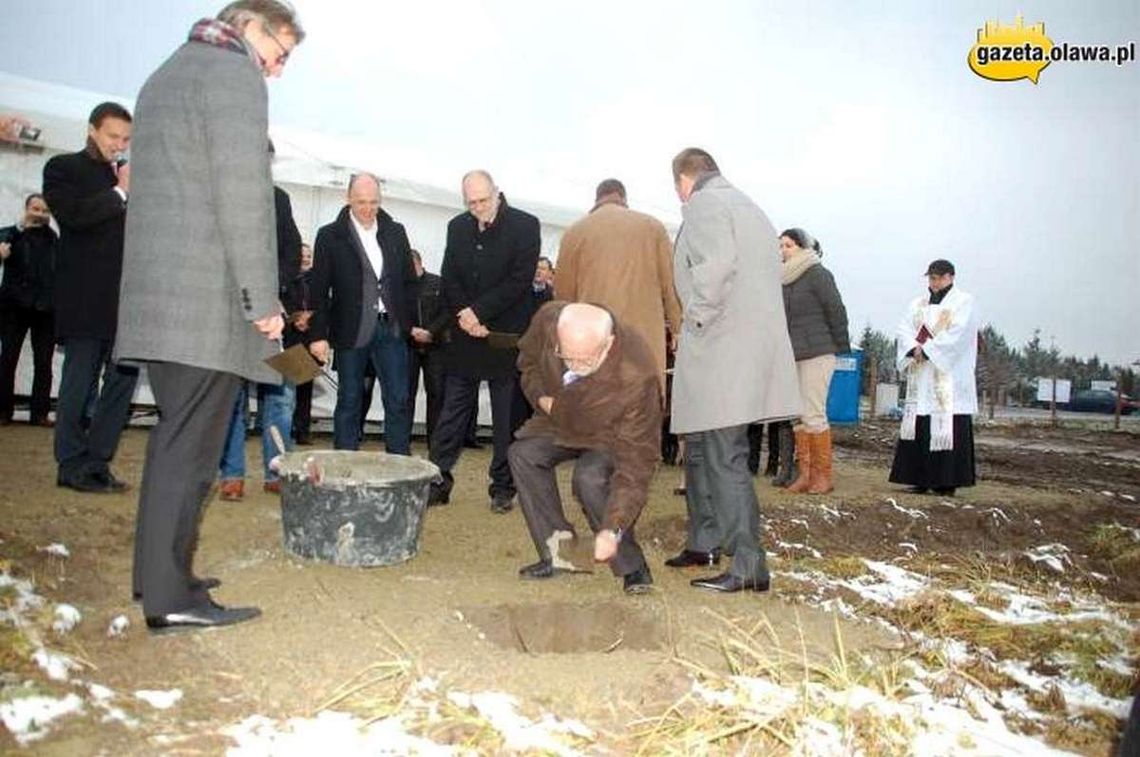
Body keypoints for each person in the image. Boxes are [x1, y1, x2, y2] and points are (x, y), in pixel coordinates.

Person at [116, 0, 304, 632]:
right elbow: (243, 194)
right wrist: (262, 302)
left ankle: (159, 578)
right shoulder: (232, 74)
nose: (275, 71)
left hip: (162, 298)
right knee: (189, 452)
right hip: (203, 305)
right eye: (279, 56)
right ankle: (172, 601)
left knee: (175, 441)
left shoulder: (167, 72)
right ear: (251, 26)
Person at [664, 148, 799, 593]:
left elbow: (715, 268)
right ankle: (704, 540)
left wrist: (696, 319)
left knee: (724, 456)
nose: (679, 197)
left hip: (721, 349)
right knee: (702, 447)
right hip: (744, 351)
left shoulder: (705, 203)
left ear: (685, 179)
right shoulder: (750, 207)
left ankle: (748, 563)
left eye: (677, 188)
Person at [509, 302, 657, 594]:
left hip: (609, 430)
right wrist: (541, 398)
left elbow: (635, 467)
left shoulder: (638, 379)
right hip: (558, 416)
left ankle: (631, 564)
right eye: (568, 358)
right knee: (523, 454)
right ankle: (561, 555)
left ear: (608, 344)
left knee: (589, 477)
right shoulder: (548, 319)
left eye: (585, 362)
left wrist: (612, 529)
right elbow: (527, 361)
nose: (575, 368)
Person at [427, 170, 540, 513]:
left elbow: (519, 280)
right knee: (451, 413)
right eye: (470, 202)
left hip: (504, 334)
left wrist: (479, 312)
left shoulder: (525, 225)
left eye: (483, 201)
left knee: (507, 418)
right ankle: (437, 479)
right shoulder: (457, 226)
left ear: (497, 193)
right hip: (465, 334)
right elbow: (450, 276)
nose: (477, 208)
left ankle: (502, 487)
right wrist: (464, 313)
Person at [43, 101, 139, 494]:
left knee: (120, 385)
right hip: (84, 299)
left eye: (126, 139)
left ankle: (98, 461)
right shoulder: (64, 168)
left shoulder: (130, 176)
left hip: (127, 303)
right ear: (92, 130)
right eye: (113, 136)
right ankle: (70, 463)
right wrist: (120, 192)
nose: (119, 145)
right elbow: (73, 217)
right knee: (78, 384)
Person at [308, 173, 415, 454]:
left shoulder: (396, 231)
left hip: (390, 330)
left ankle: (399, 465)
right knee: (349, 399)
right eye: (361, 202)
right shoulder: (330, 236)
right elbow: (318, 290)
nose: (368, 209)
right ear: (348, 199)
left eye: (374, 202)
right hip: (350, 330)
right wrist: (318, 335)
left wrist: (407, 322)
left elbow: (408, 281)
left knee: (399, 400)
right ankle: (344, 462)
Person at [216, 178, 304, 500]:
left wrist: (270, 292)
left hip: (275, 315)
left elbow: (292, 251)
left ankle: (277, 470)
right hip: (230, 314)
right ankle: (232, 474)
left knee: (283, 399)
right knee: (231, 399)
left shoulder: (280, 197)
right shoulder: (220, 192)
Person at [554, 178, 682, 396]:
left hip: (593, 342)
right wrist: (678, 329)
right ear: (623, 198)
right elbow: (671, 285)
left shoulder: (575, 232)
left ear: (597, 199)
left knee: (597, 410)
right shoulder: (653, 227)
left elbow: (563, 297)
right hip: (644, 343)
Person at [888, 259, 978, 496]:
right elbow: (904, 329)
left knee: (947, 423)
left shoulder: (963, 302)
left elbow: (959, 333)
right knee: (919, 424)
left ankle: (946, 481)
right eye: (930, 278)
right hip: (922, 375)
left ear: (950, 277)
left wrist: (929, 351)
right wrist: (914, 349)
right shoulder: (918, 304)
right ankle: (918, 478)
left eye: (938, 277)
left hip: (947, 375)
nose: (933, 282)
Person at [779, 227, 850, 494]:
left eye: (788, 245)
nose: (783, 250)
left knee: (813, 412)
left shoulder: (817, 274)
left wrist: (840, 347)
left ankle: (823, 476)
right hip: (791, 353)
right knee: (797, 414)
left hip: (818, 351)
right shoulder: (782, 280)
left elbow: (836, 309)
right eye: (781, 246)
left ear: (802, 247)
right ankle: (805, 474)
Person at [0, 194, 58, 426]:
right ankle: (3, 410)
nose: (39, 214)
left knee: (44, 362)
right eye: (35, 208)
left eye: (44, 210)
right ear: (26, 209)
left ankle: (40, 413)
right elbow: (3, 243)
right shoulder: (11, 234)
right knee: (8, 359)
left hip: (45, 309)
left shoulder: (55, 240)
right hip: (14, 306)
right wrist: (20, 226)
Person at [407, 249, 445, 447]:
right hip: (409, 345)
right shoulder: (400, 286)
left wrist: (431, 331)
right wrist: (410, 330)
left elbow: (447, 312)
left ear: (418, 263)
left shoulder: (438, 283)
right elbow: (396, 313)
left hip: (436, 346)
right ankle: (402, 440)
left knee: (437, 394)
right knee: (406, 394)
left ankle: (435, 442)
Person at [288, 242, 316, 445]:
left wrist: (311, 319)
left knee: (305, 388)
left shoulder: (317, 281)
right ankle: (287, 428)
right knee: (288, 388)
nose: (306, 258)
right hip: (290, 337)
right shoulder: (287, 280)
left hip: (310, 338)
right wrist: (295, 319)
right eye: (302, 255)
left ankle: (302, 431)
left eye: (309, 255)